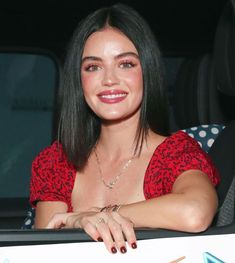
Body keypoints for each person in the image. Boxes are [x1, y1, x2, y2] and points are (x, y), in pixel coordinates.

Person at [30, 3, 220, 254]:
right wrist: (78, 220)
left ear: (147, 72)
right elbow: (43, 247)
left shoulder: (174, 153)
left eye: (126, 64)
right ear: (79, 80)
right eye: (93, 67)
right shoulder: (57, 162)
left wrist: (99, 215)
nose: (109, 79)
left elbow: (195, 211)